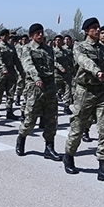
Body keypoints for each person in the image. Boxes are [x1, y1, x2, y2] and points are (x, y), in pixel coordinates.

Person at [62, 18, 104, 184]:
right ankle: (69, 156)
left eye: (97, 27)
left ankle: (103, 167)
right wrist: (97, 71)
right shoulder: (79, 46)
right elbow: (84, 61)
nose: (97, 30)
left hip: (101, 92)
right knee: (78, 127)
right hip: (84, 92)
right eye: (93, 28)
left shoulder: (102, 49)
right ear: (86, 31)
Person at [16, 24, 62, 160]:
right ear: (31, 36)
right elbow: (28, 65)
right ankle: (21, 137)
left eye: (41, 32)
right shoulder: (27, 49)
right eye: (37, 33)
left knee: (51, 120)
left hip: (49, 87)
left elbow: (52, 66)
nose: (40, 35)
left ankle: (49, 148)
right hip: (35, 87)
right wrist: (37, 78)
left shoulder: (49, 49)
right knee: (30, 119)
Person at [0, 29, 24, 120]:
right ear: (1, 37)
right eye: (4, 35)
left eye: (7, 36)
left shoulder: (11, 47)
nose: (6, 37)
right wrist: (3, 69)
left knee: (11, 92)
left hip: (11, 72)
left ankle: (9, 111)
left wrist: (21, 71)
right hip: (0, 73)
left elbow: (16, 60)